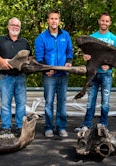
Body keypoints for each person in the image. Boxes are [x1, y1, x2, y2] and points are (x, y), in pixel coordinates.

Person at [75, 12, 116, 132]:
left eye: (107, 21)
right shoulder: (91, 38)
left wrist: (110, 65)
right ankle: (87, 125)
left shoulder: (114, 39)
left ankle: (103, 125)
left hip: (106, 75)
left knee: (105, 102)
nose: (104, 23)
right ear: (99, 21)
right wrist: (85, 57)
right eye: (102, 20)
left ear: (110, 23)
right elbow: (87, 54)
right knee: (90, 102)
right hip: (93, 74)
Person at [0, 17, 32, 137]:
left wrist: (27, 64)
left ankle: (20, 127)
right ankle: (6, 127)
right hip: (6, 77)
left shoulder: (24, 42)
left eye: (18, 26)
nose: (15, 27)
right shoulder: (0, 40)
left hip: (20, 77)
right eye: (13, 25)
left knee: (21, 103)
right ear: (8, 26)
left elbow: (30, 58)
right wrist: (1, 61)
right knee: (6, 104)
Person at [34, 9, 73, 138]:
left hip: (63, 75)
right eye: (51, 18)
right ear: (48, 21)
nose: (54, 21)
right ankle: (49, 127)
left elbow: (69, 52)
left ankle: (61, 128)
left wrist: (68, 62)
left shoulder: (66, 36)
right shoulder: (41, 38)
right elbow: (39, 57)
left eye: (56, 18)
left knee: (62, 102)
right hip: (49, 76)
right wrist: (46, 69)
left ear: (59, 20)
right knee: (49, 102)